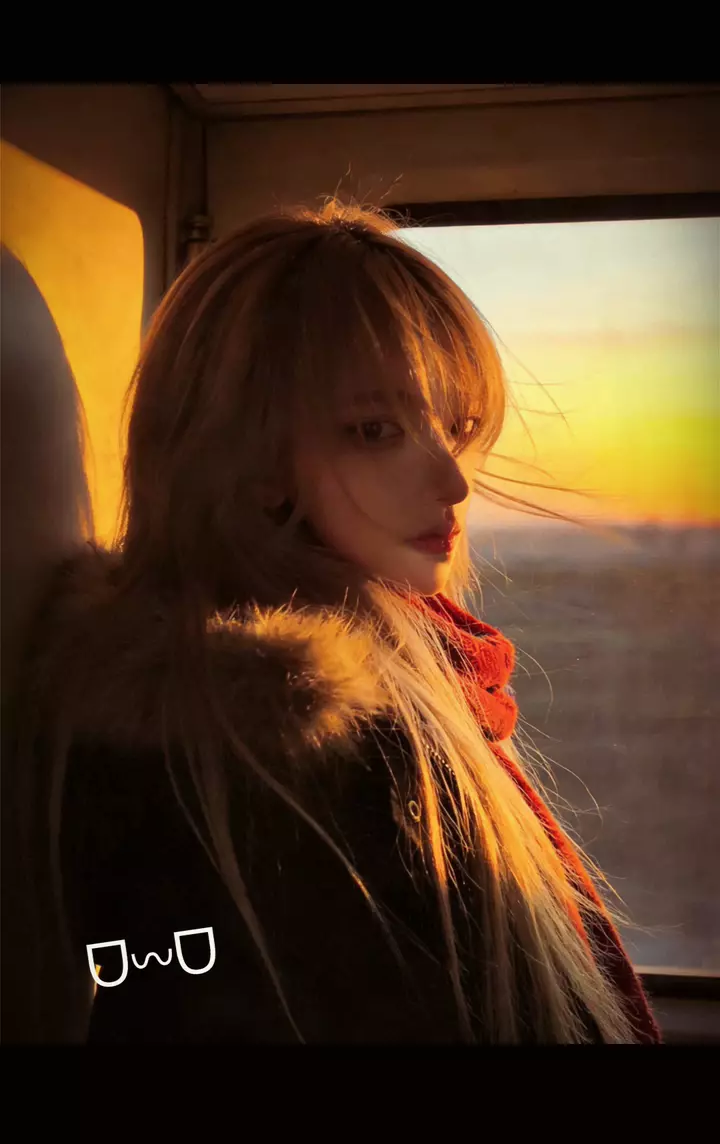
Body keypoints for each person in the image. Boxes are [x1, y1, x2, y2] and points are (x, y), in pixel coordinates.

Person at [7, 200, 662, 1044]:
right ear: (255, 461)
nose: (454, 482)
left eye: (456, 426)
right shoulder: (281, 756)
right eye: (376, 430)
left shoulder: (408, 692)